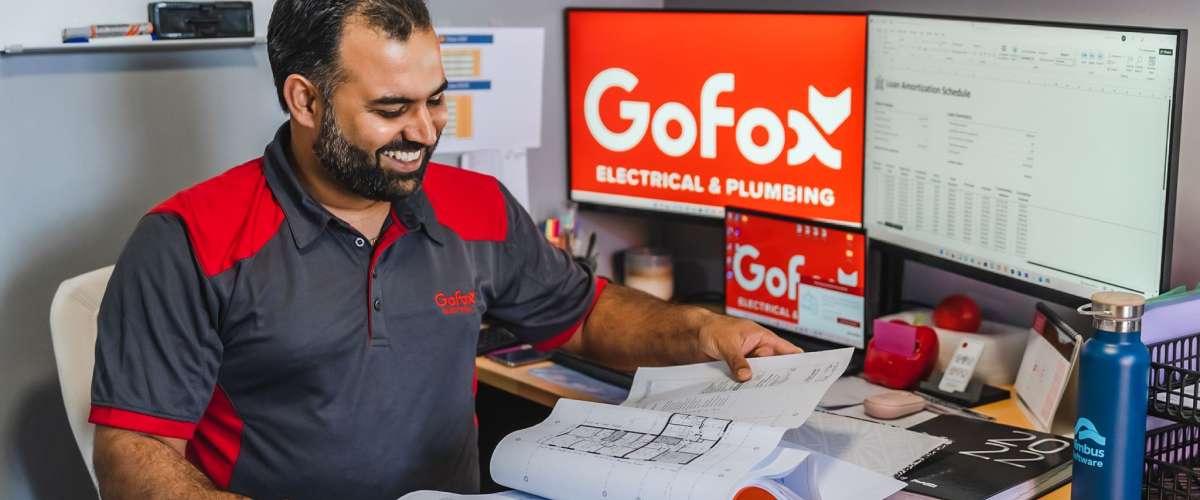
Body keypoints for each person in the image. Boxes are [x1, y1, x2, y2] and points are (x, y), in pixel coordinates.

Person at [88, 1, 802, 499]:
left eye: (435, 99)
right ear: (305, 101)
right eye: (392, 109)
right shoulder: (188, 240)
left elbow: (582, 315)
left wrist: (700, 330)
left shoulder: (477, 205)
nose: (426, 132)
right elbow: (133, 458)